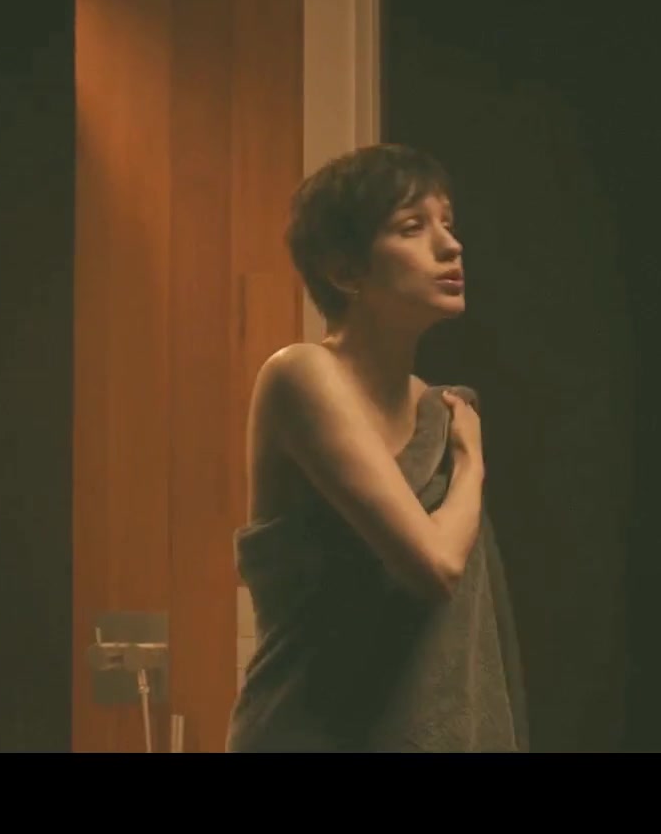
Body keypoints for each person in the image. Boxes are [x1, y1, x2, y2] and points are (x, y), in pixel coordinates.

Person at [226, 143, 530, 752]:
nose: (450, 245)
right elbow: (435, 566)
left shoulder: (436, 409)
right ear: (345, 271)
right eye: (412, 227)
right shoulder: (300, 375)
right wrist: (470, 462)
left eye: (448, 223)